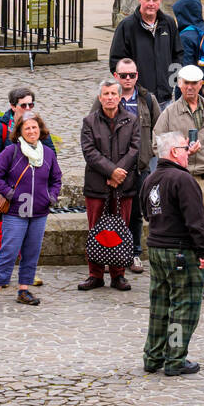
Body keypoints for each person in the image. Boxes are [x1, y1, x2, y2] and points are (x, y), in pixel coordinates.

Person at [153, 64, 204, 300]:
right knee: (180, 228)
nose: (190, 87)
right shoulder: (169, 113)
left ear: (201, 85)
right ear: (179, 84)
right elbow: (157, 144)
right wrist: (180, 151)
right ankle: (183, 275)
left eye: (194, 83)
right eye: (185, 83)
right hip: (180, 178)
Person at [142, 132, 204, 375]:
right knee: (183, 308)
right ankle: (174, 359)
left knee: (160, 306)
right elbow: (196, 221)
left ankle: (153, 356)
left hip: (156, 249)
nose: (188, 151)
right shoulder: (182, 180)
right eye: (185, 148)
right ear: (174, 152)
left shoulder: (151, 179)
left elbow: (146, 213)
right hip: (180, 252)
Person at [0, 112, 62, 309]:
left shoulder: (48, 154)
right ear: (19, 131)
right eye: (27, 128)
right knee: (9, 250)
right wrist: (9, 193)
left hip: (39, 212)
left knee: (32, 251)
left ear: (40, 130)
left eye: (34, 128)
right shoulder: (11, 152)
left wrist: (51, 197)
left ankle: (23, 289)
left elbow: (56, 179)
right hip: (15, 212)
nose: (31, 131)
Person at [79, 79, 141, 292]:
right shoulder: (89, 121)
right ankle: (95, 274)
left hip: (123, 186)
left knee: (120, 230)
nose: (110, 98)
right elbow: (89, 152)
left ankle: (118, 274)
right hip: (98, 185)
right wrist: (110, 171)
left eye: (113, 94)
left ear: (119, 96)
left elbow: (134, 149)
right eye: (106, 94)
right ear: (100, 97)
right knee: (96, 229)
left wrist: (118, 173)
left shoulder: (131, 120)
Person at [112, 57, 160, 273]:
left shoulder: (147, 99)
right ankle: (111, 253)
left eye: (132, 75)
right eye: (123, 75)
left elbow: (160, 128)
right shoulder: (109, 97)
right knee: (112, 211)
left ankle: (134, 253)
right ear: (116, 76)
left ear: (137, 76)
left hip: (140, 166)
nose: (128, 79)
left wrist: (153, 153)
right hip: (114, 166)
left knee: (136, 213)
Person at [109, 0, 183, 106]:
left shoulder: (169, 23)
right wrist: (131, 85)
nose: (151, 4)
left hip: (165, 99)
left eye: (154, 0)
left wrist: (171, 82)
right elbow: (116, 61)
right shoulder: (127, 26)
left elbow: (178, 54)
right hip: (138, 99)